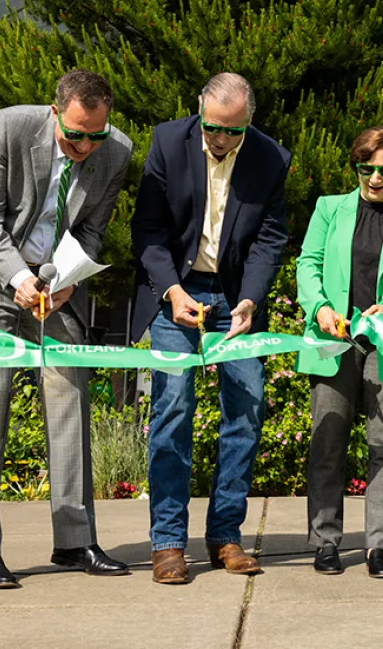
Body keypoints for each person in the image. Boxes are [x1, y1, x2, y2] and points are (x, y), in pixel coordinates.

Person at [0, 69, 133, 589]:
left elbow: (91, 229)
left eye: (96, 134)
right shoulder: (11, 127)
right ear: (54, 111)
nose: (87, 145)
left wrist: (66, 279)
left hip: (53, 286)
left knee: (70, 397)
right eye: (76, 134)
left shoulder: (116, 151)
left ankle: (74, 540)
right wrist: (18, 277)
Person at [131, 72, 290, 585]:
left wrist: (250, 300)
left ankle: (225, 535)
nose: (220, 140)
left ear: (250, 123)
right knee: (173, 406)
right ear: (198, 109)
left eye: (233, 132)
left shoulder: (270, 159)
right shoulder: (166, 142)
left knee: (245, 410)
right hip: (176, 291)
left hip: (235, 299)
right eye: (212, 128)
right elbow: (149, 230)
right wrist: (172, 292)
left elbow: (270, 238)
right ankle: (168, 542)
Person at [296, 126, 383, 578]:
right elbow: (307, 264)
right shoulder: (328, 209)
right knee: (327, 442)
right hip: (334, 338)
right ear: (355, 166)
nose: (375, 178)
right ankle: (326, 542)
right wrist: (320, 308)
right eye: (366, 168)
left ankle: (377, 546)